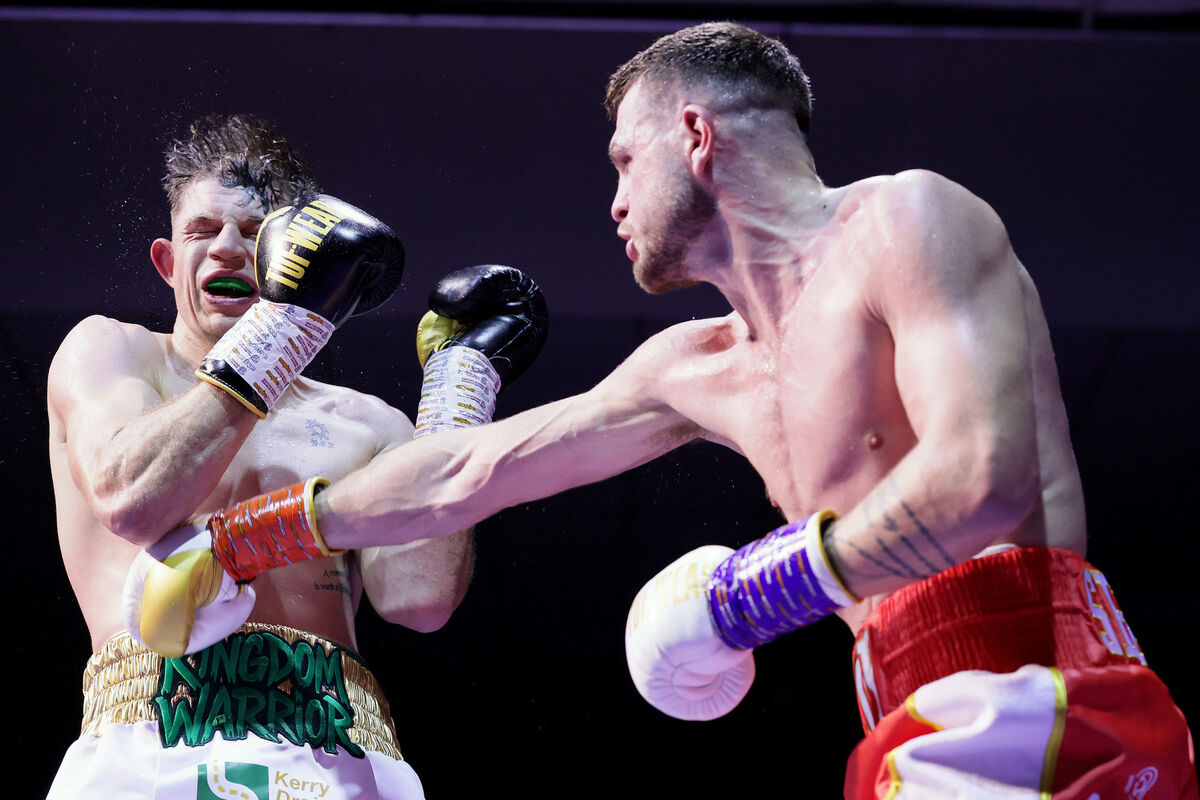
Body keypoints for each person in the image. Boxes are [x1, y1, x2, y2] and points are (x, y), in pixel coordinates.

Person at [125, 25, 1197, 799]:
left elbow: (981, 477)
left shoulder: (906, 220)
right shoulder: (700, 362)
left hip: (1037, 691)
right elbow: (463, 474)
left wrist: (746, 599)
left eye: (623, 161)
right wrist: (238, 538)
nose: (612, 200)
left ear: (695, 133)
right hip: (902, 716)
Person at [46, 113, 547, 799]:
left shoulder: (366, 422)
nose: (226, 248)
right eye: (202, 230)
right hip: (152, 735)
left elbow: (420, 598)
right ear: (166, 261)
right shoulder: (112, 351)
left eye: (254, 234)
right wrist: (283, 326)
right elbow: (132, 499)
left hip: (338, 745)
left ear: (298, 254)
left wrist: (459, 393)